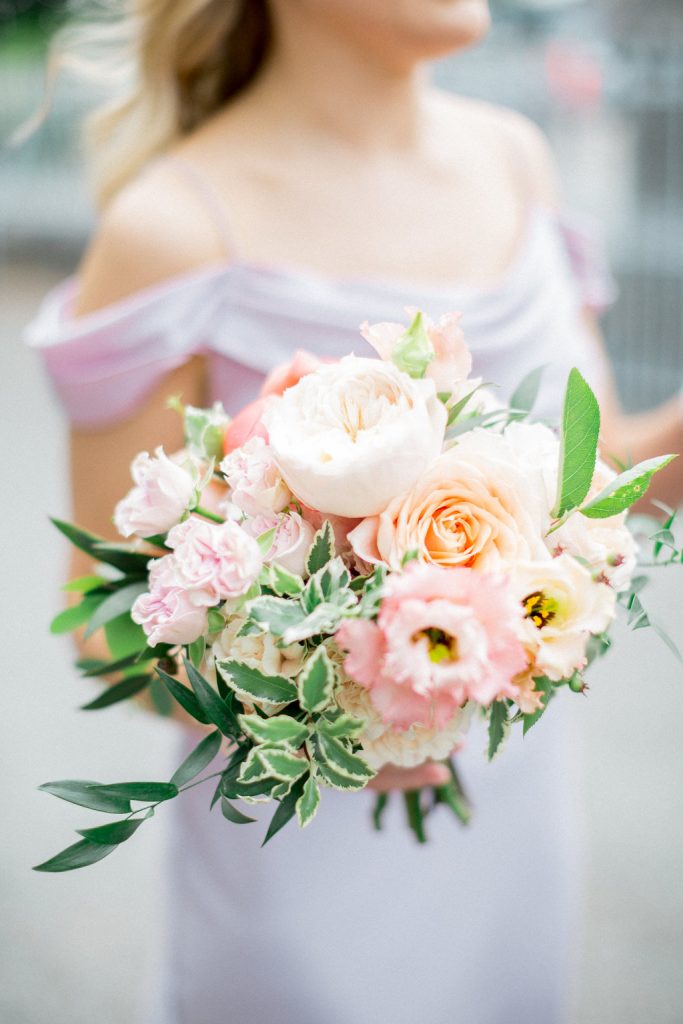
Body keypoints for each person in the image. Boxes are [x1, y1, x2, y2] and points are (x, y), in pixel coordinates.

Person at [25, 1, 683, 1022]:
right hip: (297, 864)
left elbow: (589, 477)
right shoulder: (172, 227)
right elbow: (108, 629)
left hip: (515, 822)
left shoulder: (517, 158)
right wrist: (338, 701)